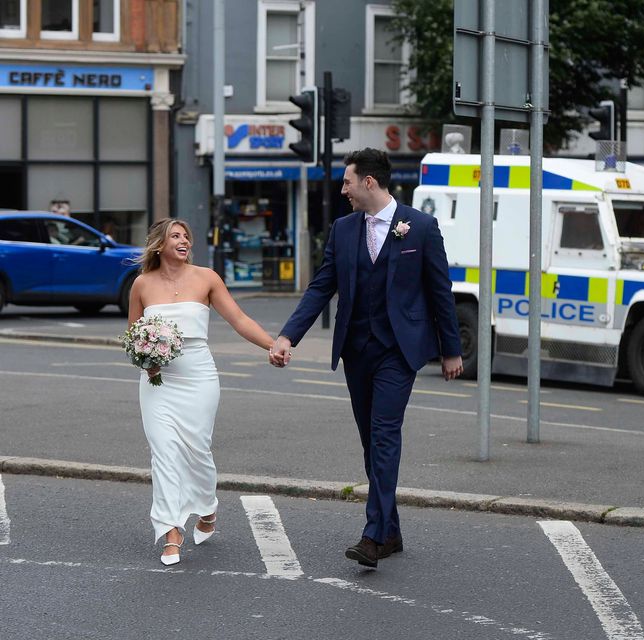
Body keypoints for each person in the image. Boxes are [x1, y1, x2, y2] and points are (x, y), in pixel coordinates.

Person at [269, 148, 463, 568]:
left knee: (384, 436)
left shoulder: (422, 228)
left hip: (399, 350)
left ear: (369, 182)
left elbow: (440, 292)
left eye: (347, 182)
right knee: (369, 442)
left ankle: (373, 536)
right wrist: (288, 336)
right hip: (357, 349)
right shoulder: (342, 229)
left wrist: (451, 350)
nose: (344, 190)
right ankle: (390, 530)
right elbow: (321, 288)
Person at [127, 218, 277, 566]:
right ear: (159, 245)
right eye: (175, 236)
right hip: (156, 382)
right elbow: (132, 337)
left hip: (199, 378)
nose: (184, 241)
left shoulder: (207, 278)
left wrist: (273, 345)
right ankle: (171, 532)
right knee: (164, 453)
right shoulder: (141, 285)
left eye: (186, 236)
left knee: (197, 451)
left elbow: (239, 319)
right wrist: (145, 361)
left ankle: (207, 507)